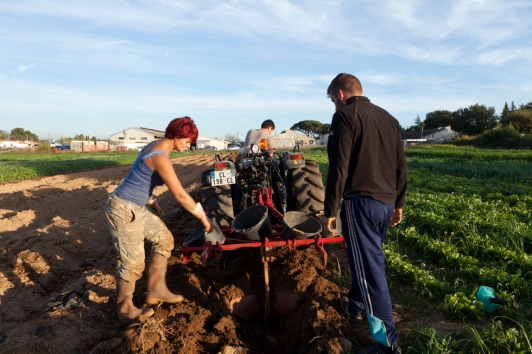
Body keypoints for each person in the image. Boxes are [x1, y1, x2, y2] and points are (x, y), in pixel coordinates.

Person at [324, 74, 407, 354]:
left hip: (360, 204)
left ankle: (387, 345)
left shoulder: (345, 116)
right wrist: (399, 204)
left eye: (334, 100)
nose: (335, 105)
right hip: (385, 205)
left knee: (372, 273)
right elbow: (400, 166)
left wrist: (330, 209)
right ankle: (356, 305)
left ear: (341, 94)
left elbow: (339, 166)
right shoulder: (389, 118)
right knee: (369, 261)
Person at [104, 117, 217, 323]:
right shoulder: (160, 156)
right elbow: (180, 195)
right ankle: (125, 310)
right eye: (187, 140)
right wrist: (205, 220)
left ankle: (156, 289)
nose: (189, 144)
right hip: (123, 208)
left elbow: (139, 175)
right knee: (133, 264)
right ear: (175, 136)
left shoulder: (155, 147)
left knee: (165, 240)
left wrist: (151, 198)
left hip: (137, 206)